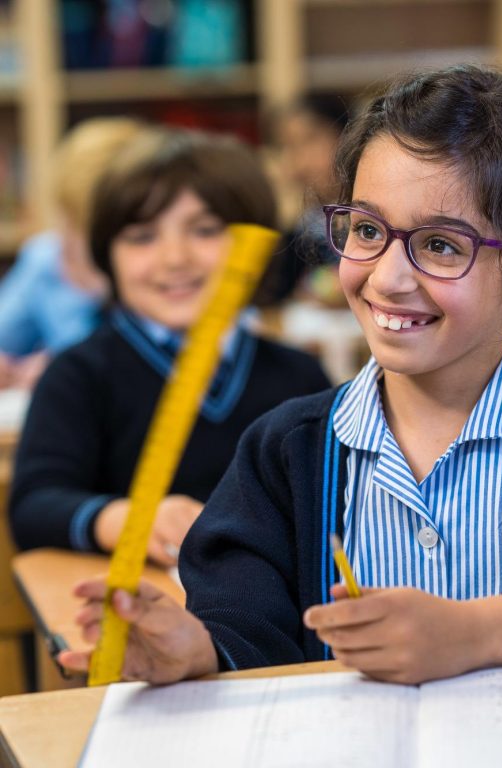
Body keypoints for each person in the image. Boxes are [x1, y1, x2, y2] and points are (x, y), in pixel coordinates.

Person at [59, 65, 502, 686]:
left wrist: (485, 631)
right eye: (365, 230)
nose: (388, 277)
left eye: (441, 245)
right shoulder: (284, 451)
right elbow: (248, 628)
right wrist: (196, 650)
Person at [10, 127, 331, 567]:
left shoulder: (299, 376)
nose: (174, 259)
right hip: (142, 606)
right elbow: (32, 507)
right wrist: (122, 519)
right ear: (108, 255)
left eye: (204, 230)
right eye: (142, 237)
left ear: (254, 244)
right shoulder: (80, 373)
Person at [0, 117, 146, 390]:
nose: (68, 241)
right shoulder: (44, 258)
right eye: (67, 220)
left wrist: (66, 369)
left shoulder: (156, 273)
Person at [256, 92, 350, 308]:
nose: (299, 161)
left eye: (310, 140)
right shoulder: (301, 231)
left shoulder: (375, 219)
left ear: (348, 136)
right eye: (286, 147)